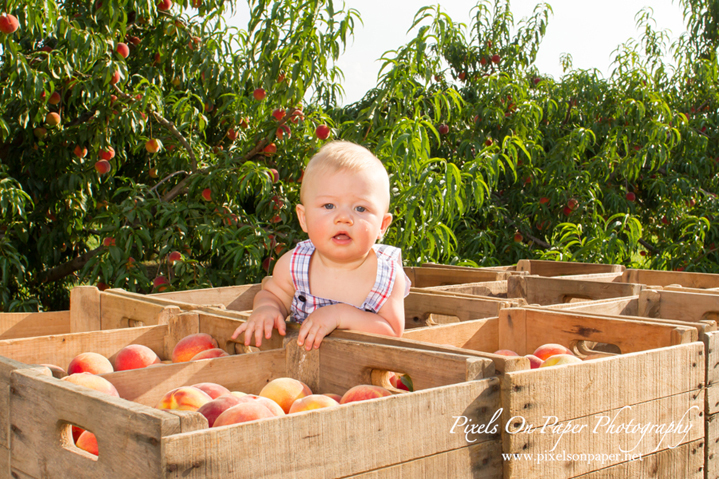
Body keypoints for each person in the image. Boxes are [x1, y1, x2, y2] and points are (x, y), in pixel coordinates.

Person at [231, 140, 410, 351]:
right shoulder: (294, 265)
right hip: (298, 373)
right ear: (304, 218)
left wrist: (341, 315)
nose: (344, 217)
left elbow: (392, 331)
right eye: (329, 206)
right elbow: (272, 295)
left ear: (382, 225)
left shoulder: (386, 275)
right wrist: (266, 309)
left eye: (360, 208)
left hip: (362, 371)